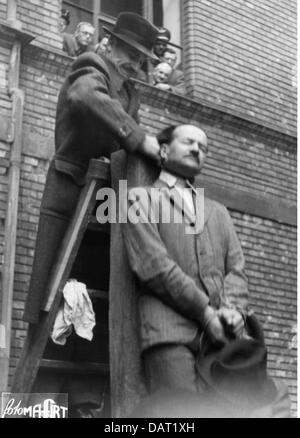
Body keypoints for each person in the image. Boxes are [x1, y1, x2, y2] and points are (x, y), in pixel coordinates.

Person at [23, 12, 160, 416]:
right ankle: (34, 405)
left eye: (141, 58)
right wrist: (139, 139)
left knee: (96, 305)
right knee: (54, 304)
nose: (135, 64)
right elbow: (86, 98)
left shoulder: (130, 93)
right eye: (130, 53)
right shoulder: (90, 67)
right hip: (70, 201)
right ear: (110, 44)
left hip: (104, 209)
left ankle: (83, 403)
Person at [122, 124, 249, 396]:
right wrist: (205, 314)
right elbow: (153, 265)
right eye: (189, 142)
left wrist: (233, 310)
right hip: (169, 333)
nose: (197, 150)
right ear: (164, 150)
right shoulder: (139, 198)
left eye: (203, 148)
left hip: (222, 338)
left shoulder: (218, 212)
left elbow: (236, 270)